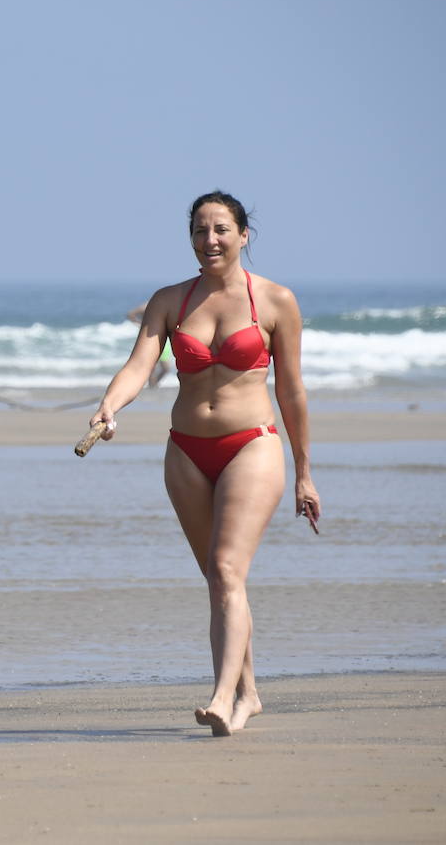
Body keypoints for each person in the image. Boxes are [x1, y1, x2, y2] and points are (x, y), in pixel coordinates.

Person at [90, 190, 320, 736]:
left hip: (253, 445)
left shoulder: (276, 301)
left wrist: (306, 472)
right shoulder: (170, 300)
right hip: (186, 452)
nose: (209, 240)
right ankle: (249, 694)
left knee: (225, 572)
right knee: (222, 580)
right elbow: (138, 365)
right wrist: (108, 405)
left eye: (220, 229)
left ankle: (222, 698)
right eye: (199, 230)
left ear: (243, 235)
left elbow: (292, 391)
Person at [126, 302, 172, 387]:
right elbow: (130, 314)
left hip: (164, 338)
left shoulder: (165, 304)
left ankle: (154, 384)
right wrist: (141, 324)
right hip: (149, 337)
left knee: (166, 368)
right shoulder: (147, 306)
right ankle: (151, 386)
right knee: (152, 366)